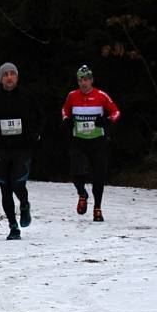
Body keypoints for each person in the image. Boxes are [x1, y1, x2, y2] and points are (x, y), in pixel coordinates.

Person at [0, 62, 45, 240]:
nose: (9, 77)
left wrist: (36, 134)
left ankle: (24, 204)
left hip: (22, 148)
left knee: (17, 183)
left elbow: (40, 116)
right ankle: (13, 227)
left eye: (12, 74)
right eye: (5, 74)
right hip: (1, 149)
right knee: (5, 188)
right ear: (1, 79)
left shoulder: (27, 96)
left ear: (17, 77)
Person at [61, 65, 120, 222]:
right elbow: (64, 111)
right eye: (80, 80)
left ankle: (97, 208)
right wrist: (66, 120)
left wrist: (106, 121)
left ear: (92, 80)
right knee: (76, 172)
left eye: (86, 79)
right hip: (78, 141)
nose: (83, 83)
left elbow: (116, 112)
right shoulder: (72, 96)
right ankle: (82, 194)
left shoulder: (101, 96)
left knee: (99, 176)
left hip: (97, 142)